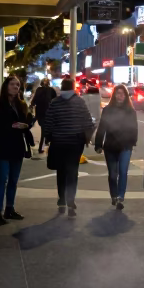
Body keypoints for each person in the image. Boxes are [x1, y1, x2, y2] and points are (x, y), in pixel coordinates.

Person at [44, 77, 95, 216]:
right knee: (72, 172)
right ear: (73, 88)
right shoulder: (80, 102)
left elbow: (48, 122)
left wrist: (48, 138)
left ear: (62, 88)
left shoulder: (54, 103)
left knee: (61, 172)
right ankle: (71, 201)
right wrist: (87, 139)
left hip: (59, 143)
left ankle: (61, 199)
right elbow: (88, 123)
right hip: (75, 144)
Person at [0, 74, 34, 227]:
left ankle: (9, 209)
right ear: (6, 86)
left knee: (13, 180)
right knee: (1, 181)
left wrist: (26, 125)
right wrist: (10, 126)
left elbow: (28, 121)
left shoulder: (21, 105)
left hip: (18, 147)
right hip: (3, 147)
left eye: (18, 85)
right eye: (13, 84)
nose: (16, 87)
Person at [94, 83, 139, 209]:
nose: (120, 96)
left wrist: (132, 142)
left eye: (122, 94)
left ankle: (120, 196)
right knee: (113, 174)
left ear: (126, 95)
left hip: (125, 146)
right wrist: (98, 144)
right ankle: (113, 195)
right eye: (118, 93)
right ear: (114, 95)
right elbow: (102, 127)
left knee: (123, 172)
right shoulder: (108, 110)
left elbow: (134, 128)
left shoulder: (130, 111)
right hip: (110, 146)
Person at [30, 77, 54, 156]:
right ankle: (43, 146)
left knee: (45, 130)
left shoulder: (43, 90)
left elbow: (34, 100)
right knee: (45, 131)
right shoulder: (48, 90)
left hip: (43, 114)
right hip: (45, 114)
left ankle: (43, 146)